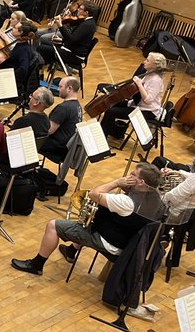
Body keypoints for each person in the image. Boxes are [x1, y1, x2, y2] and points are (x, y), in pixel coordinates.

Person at [12, 164, 164, 274]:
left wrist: (116, 182)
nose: (128, 177)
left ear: (141, 182)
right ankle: (71, 251)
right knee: (89, 220)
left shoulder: (126, 203)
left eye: (132, 175)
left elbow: (93, 194)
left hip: (110, 242)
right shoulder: (158, 201)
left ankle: (36, 265)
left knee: (52, 225)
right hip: (128, 243)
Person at [99, 52, 166, 140]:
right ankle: (113, 131)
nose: (144, 61)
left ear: (154, 65)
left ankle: (102, 138)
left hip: (148, 110)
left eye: (147, 60)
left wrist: (139, 84)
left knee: (112, 112)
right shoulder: (147, 73)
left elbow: (148, 100)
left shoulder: (156, 80)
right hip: (137, 104)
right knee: (111, 103)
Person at [38, 0, 97, 70]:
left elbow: (72, 39)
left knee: (41, 48)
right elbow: (76, 39)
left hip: (74, 56)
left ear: (86, 13)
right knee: (46, 44)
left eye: (80, 9)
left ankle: (39, 71)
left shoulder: (87, 25)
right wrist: (61, 40)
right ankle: (42, 70)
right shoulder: (88, 22)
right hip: (72, 50)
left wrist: (60, 26)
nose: (78, 10)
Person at [41, 75, 82, 163]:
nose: (58, 89)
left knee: (26, 140)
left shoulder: (64, 108)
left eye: (60, 87)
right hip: (68, 148)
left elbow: (48, 130)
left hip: (58, 148)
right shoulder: (77, 106)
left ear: (69, 88)